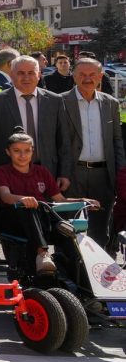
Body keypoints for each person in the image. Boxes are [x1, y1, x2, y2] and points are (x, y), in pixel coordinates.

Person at [0, 55, 69, 256]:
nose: (26, 77)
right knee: (16, 225)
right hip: (9, 173)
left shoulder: (55, 101)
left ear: (39, 75)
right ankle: (19, 266)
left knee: (48, 222)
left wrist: (64, 173)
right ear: (11, 75)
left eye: (31, 72)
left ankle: (49, 265)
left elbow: (63, 140)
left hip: (45, 171)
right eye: (20, 73)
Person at [0, 132, 96, 275]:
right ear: (8, 152)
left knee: (66, 231)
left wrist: (83, 200)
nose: (22, 155)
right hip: (14, 222)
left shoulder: (41, 171)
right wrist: (23, 199)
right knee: (28, 208)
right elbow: (5, 196)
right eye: (17, 151)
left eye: (27, 150)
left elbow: (60, 199)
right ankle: (42, 254)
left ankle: (82, 275)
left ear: (32, 151)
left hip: (41, 220)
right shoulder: (2, 171)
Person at [59, 57, 125, 248]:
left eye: (92, 75)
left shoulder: (110, 103)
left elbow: (117, 141)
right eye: (82, 74)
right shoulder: (60, 102)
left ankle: (97, 274)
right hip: (71, 175)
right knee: (69, 228)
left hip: (103, 175)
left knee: (100, 230)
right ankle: (71, 273)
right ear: (74, 76)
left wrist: (120, 175)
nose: (87, 79)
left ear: (100, 77)